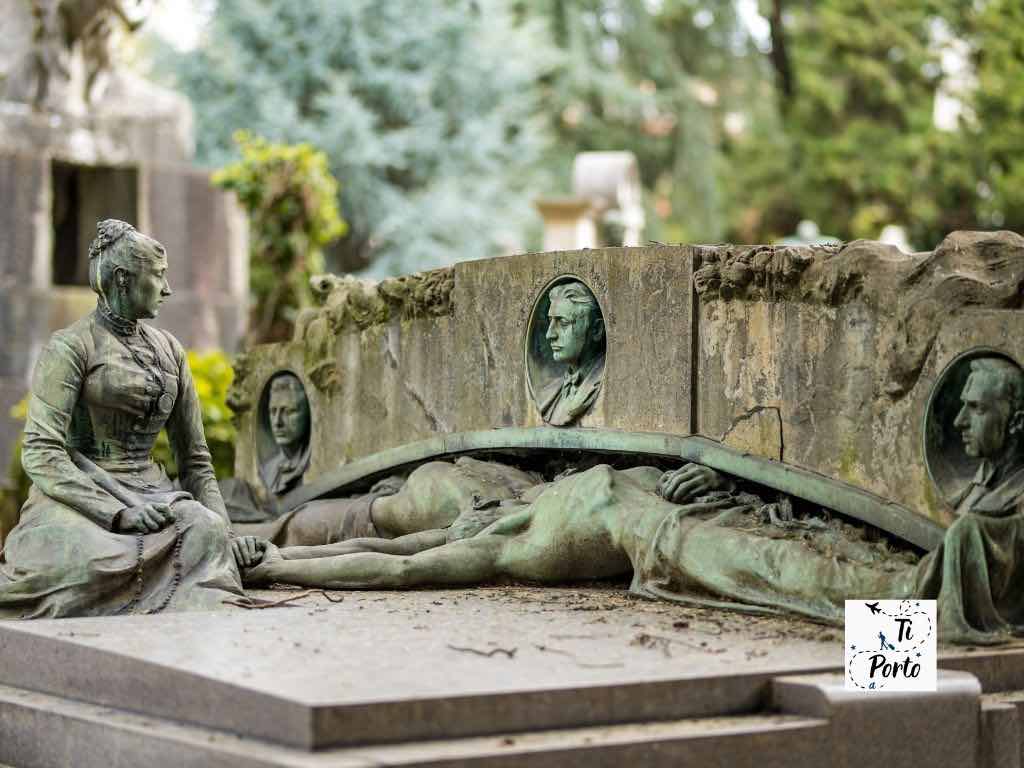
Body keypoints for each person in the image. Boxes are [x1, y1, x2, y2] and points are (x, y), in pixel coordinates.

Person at [0, 219, 261, 618]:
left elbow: (195, 462)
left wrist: (227, 533)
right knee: (91, 566)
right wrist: (119, 514)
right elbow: (40, 452)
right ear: (123, 278)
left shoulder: (170, 350)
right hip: (78, 499)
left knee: (203, 530)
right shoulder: (70, 346)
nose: (168, 288)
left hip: (157, 497)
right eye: (158, 276)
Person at [916, 356, 1024, 643]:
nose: (958, 421)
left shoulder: (1016, 499)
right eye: (963, 404)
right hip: (911, 574)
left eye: (976, 408)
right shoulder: (974, 486)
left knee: (811, 575)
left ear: (1016, 422)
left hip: (909, 590)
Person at [220, 373, 312, 523]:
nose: (277, 422)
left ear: (307, 414)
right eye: (273, 411)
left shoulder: (307, 465)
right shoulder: (270, 468)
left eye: (288, 411)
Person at [536, 281, 605, 426]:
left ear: (596, 330)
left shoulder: (603, 383)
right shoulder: (547, 393)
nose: (550, 334)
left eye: (563, 323)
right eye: (550, 321)